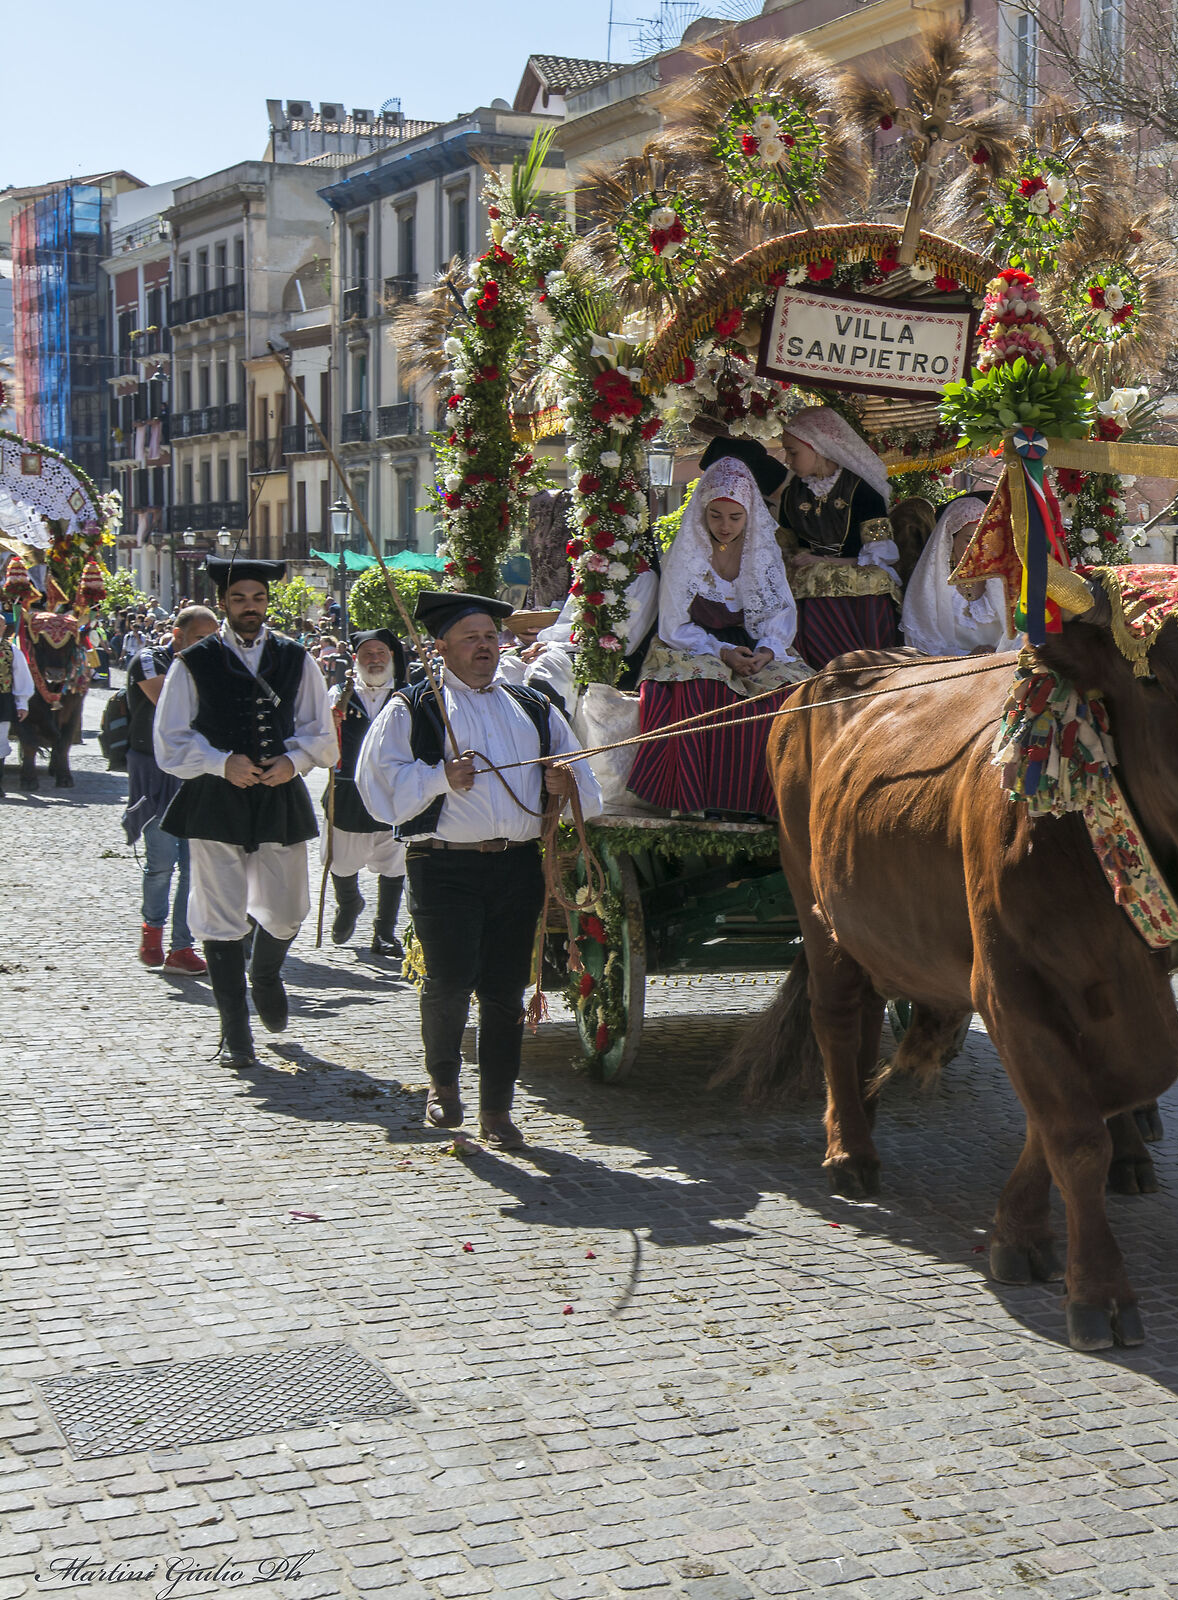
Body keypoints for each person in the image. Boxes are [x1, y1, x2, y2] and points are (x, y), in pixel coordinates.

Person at [358, 591, 599, 1147]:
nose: (486, 646)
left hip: (517, 865)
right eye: (472, 638)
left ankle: (498, 1108)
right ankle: (443, 1086)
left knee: (504, 989)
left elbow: (586, 781)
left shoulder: (533, 706)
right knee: (448, 981)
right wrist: (441, 777)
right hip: (443, 868)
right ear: (439, 647)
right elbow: (378, 793)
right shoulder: (413, 707)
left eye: (491, 636)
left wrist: (564, 786)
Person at [154, 558, 337, 1068]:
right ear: (224, 604)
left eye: (257, 598)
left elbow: (321, 733)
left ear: (266, 602)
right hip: (215, 799)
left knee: (286, 909)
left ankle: (266, 972)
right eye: (239, 599)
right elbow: (171, 740)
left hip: (278, 795)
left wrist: (294, 760)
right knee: (220, 914)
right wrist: (219, 762)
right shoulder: (194, 661)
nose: (249, 607)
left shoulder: (297, 658)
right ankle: (235, 1033)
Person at [625, 456, 813, 818]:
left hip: (754, 644)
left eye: (735, 517)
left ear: (749, 515)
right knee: (703, 689)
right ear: (703, 512)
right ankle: (698, 799)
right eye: (716, 516)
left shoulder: (763, 553)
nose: (725, 526)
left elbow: (779, 613)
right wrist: (722, 652)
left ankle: (769, 803)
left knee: (788, 696)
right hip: (693, 642)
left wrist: (768, 652)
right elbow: (673, 625)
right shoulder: (687, 553)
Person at [701, 405, 900, 667]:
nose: (787, 459)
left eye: (793, 452)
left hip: (856, 578)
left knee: (821, 575)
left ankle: (859, 661)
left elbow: (880, 556)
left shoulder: (861, 492)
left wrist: (824, 562)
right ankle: (810, 664)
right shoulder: (794, 492)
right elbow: (785, 542)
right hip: (807, 576)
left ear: (819, 449)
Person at [124, 604, 218, 974]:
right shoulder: (150, 660)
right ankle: (152, 931)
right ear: (177, 635)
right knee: (162, 862)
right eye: (200, 639)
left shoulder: (212, 666)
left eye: (213, 640)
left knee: (194, 867)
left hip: (197, 772)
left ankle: (182, 947)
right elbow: (171, 704)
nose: (207, 647)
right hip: (154, 771)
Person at [324, 629, 411, 957]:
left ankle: (384, 933)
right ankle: (348, 903)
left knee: (394, 864)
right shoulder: (338, 695)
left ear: (391, 657)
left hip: (393, 793)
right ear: (355, 659)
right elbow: (319, 736)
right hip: (347, 794)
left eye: (380, 654)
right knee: (342, 860)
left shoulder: (407, 695)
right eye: (367, 654)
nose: (374, 660)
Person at [898, 491, 1012, 656]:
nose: (979, 549)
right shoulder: (931, 586)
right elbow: (924, 643)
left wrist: (998, 654)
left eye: (985, 540)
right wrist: (966, 656)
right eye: (969, 540)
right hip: (948, 674)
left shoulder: (1000, 581)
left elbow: (1019, 633)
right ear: (950, 540)